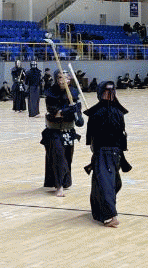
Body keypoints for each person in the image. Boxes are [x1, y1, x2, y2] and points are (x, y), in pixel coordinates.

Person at [84, 81, 130, 228]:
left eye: (111, 92)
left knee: (107, 184)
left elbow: (121, 135)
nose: (109, 95)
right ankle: (99, 212)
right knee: (100, 182)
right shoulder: (99, 112)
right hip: (103, 152)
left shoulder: (113, 112)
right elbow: (92, 137)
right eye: (106, 92)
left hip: (110, 153)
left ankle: (110, 215)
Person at [41, 70, 84, 197]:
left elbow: (78, 119)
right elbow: (54, 112)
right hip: (54, 131)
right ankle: (58, 186)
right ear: (56, 79)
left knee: (67, 158)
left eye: (66, 78)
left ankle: (64, 182)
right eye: (60, 77)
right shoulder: (51, 94)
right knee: (58, 157)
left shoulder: (73, 93)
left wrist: (78, 115)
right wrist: (67, 111)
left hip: (69, 131)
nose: (63, 80)